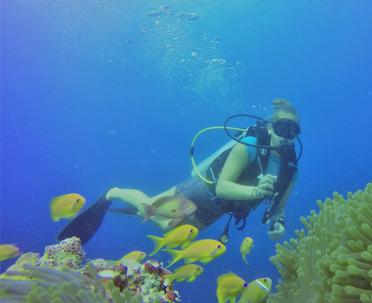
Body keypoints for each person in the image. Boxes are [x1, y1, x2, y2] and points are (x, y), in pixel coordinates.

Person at [59, 98, 301, 244]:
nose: (286, 136)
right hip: (203, 191)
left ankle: (137, 207)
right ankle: (114, 193)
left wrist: (277, 224)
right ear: (270, 127)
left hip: (222, 208)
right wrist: (256, 190)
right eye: (282, 127)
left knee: (167, 229)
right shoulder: (247, 145)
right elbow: (222, 186)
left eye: (293, 131)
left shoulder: (290, 170)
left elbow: (279, 207)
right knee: (151, 208)